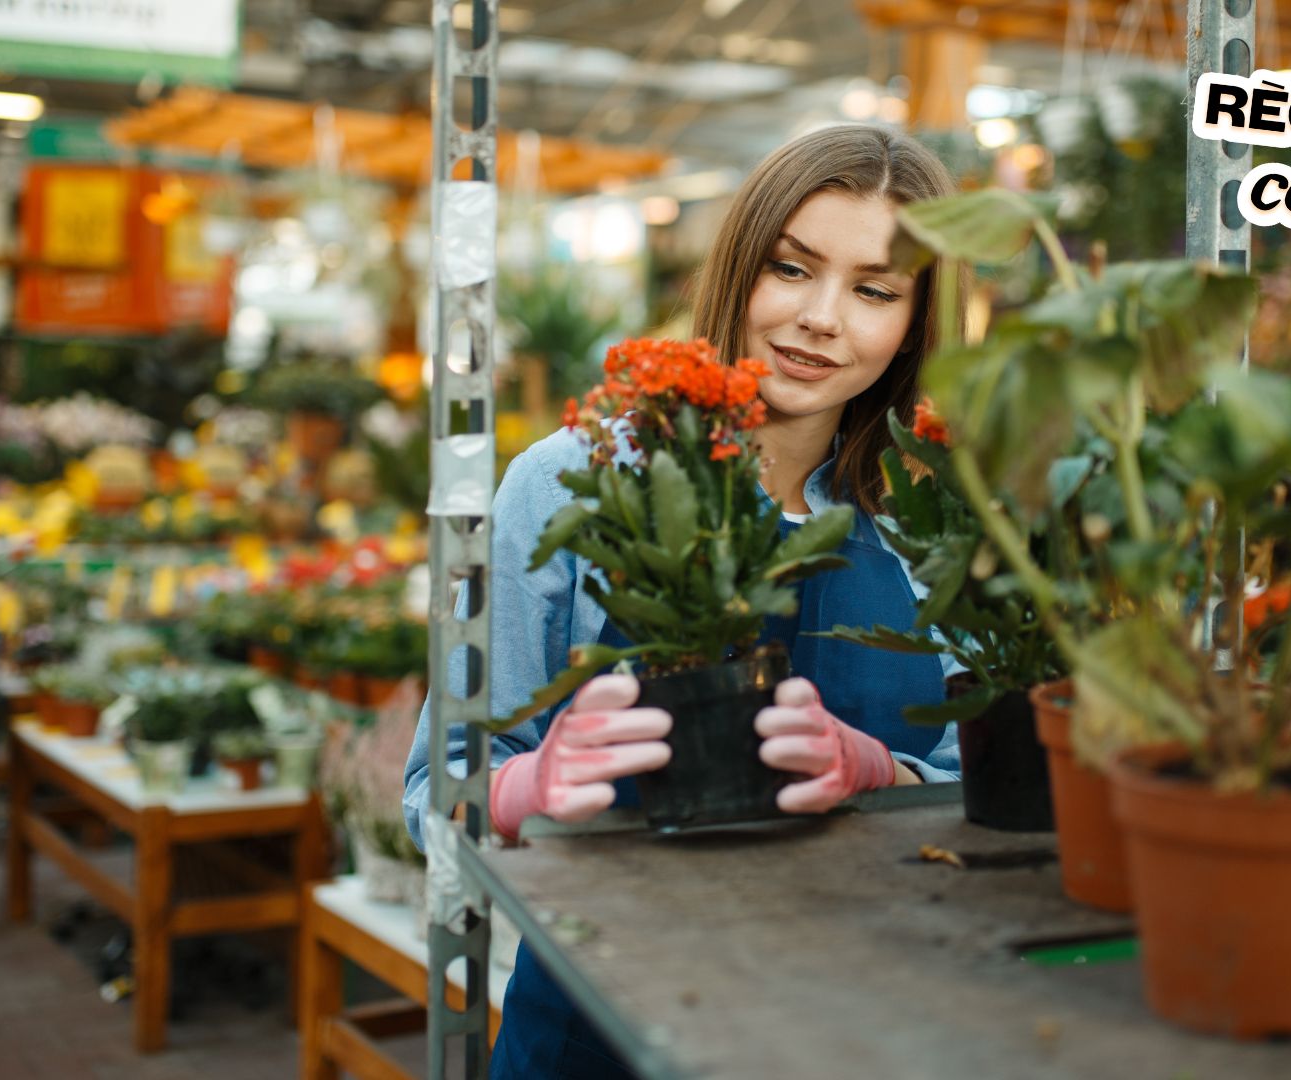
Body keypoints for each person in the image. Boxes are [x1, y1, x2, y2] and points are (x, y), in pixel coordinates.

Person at [402, 123, 964, 1078]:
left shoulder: (931, 516)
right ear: (740, 266)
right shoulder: (575, 478)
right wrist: (525, 789)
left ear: (915, 321)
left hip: (870, 1024)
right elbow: (434, 792)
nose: (822, 318)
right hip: (601, 1026)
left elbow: (994, 799)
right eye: (791, 269)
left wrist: (892, 779)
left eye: (873, 290)